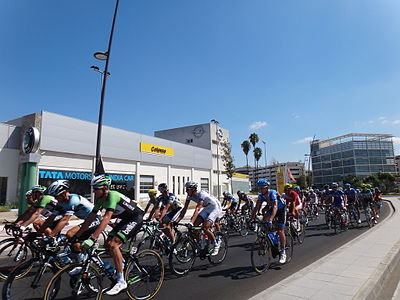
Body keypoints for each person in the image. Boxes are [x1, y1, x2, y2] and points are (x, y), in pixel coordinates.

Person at [77, 175, 144, 296]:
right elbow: (90, 218)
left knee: (114, 244)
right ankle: (122, 262)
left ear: (104, 188)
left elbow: (107, 217)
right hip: (125, 219)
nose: (93, 191)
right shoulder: (100, 199)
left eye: (96, 188)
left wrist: (93, 238)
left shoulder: (113, 195)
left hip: (136, 217)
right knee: (108, 244)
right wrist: (77, 235)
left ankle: (121, 281)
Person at [176, 181, 223, 256]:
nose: (186, 191)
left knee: (205, 227)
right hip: (207, 208)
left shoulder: (201, 194)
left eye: (187, 189)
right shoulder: (189, 196)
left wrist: (191, 222)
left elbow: (197, 209)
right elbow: (184, 209)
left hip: (214, 208)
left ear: (193, 189)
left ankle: (216, 244)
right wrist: (176, 221)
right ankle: (201, 243)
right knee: (194, 227)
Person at [252, 179, 287, 264]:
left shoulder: (273, 192)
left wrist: (271, 219)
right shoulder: (261, 195)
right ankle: (267, 239)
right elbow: (257, 207)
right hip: (272, 208)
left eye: (262, 188)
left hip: (281, 209)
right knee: (264, 221)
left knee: (280, 230)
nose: (260, 190)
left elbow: (275, 207)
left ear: (267, 188)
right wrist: (252, 217)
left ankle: (283, 251)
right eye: (259, 188)